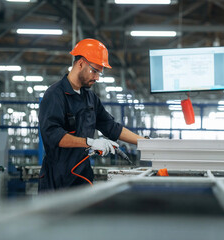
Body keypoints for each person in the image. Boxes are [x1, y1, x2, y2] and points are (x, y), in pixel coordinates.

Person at [38, 38, 145, 192]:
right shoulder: (54, 95)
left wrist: (146, 142)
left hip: (82, 177)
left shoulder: (90, 98)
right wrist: (90, 142)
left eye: (99, 72)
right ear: (80, 63)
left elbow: (112, 128)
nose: (97, 77)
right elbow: (53, 135)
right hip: (56, 181)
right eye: (94, 71)